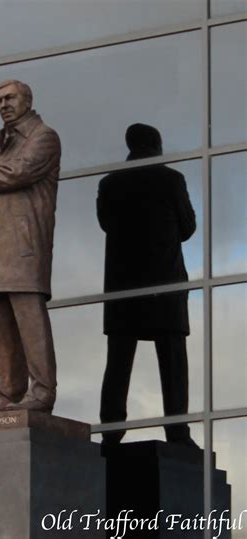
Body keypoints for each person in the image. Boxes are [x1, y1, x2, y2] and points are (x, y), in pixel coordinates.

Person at [0, 80, 61, 413]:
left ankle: (43, 391)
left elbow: (17, 174)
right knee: (2, 328)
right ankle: (8, 394)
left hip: (23, 249)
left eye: (9, 98)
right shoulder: (4, 146)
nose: (3, 105)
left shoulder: (43, 137)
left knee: (31, 324)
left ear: (27, 100)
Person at [97, 123, 198, 447]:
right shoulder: (171, 180)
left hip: (124, 288)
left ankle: (111, 431)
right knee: (173, 363)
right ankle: (178, 432)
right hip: (164, 285)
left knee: (118, 363)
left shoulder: (110, 184)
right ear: (156, 144)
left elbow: (105, 224)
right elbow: (188, 227)